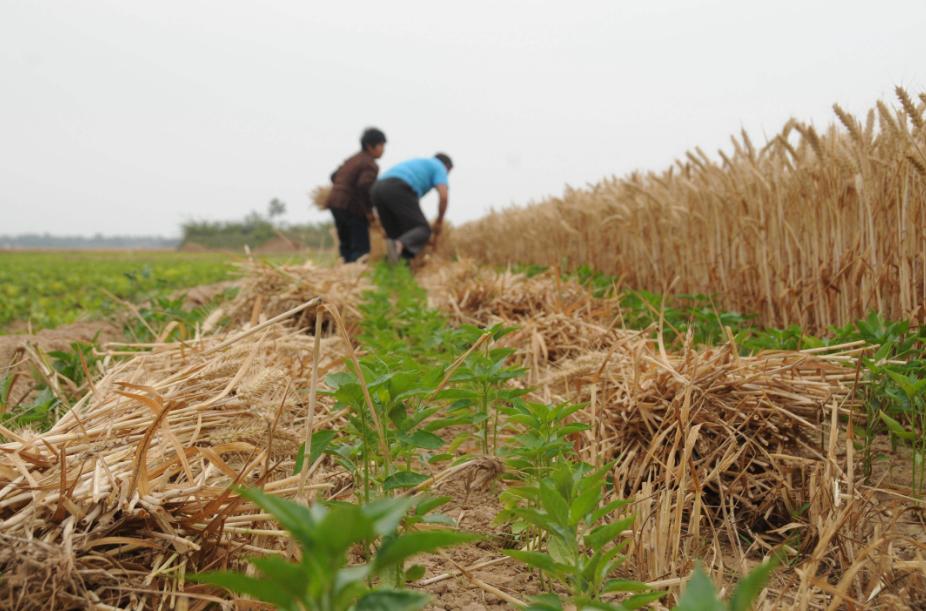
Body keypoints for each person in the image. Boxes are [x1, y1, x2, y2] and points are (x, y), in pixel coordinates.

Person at [372, 153, 452, 262]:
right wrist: (439, 221)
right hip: (397, 187)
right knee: (423, 229)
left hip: (377, 189)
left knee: (397, 236)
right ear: (447, 166)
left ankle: (392, 267)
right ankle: (399, 246)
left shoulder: (421, 164)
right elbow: (444, 196)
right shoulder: (439, 167)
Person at [325, 127, 387, 262]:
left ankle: (345, 270)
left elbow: (334, 176)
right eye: (381, 145)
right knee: (360, 249)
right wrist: (369, 211)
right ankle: (355, 272)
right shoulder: (370, 164)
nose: (383, 149)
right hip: (352, 207)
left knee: (345, 245)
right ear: (370, 146)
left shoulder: (352, 159)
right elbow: (364, 186)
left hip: (335, 204)